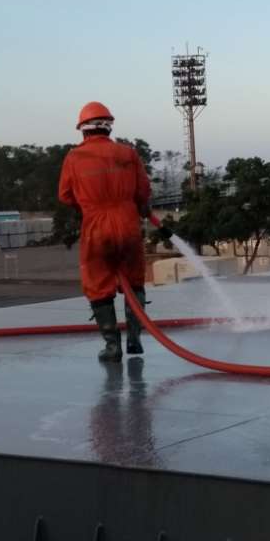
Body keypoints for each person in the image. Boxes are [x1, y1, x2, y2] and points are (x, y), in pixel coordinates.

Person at [59, 101, 160, 363]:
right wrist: (138, 205)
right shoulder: (128, 154)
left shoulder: (74, 158)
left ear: (83, 130)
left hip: (96, 226)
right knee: (134, 281)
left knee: (98, 284)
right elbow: (143, 191)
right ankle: (135, 338)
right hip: (127, 224)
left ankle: (112, 346)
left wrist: (87, 204)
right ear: (109, 127)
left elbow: (65, 195)